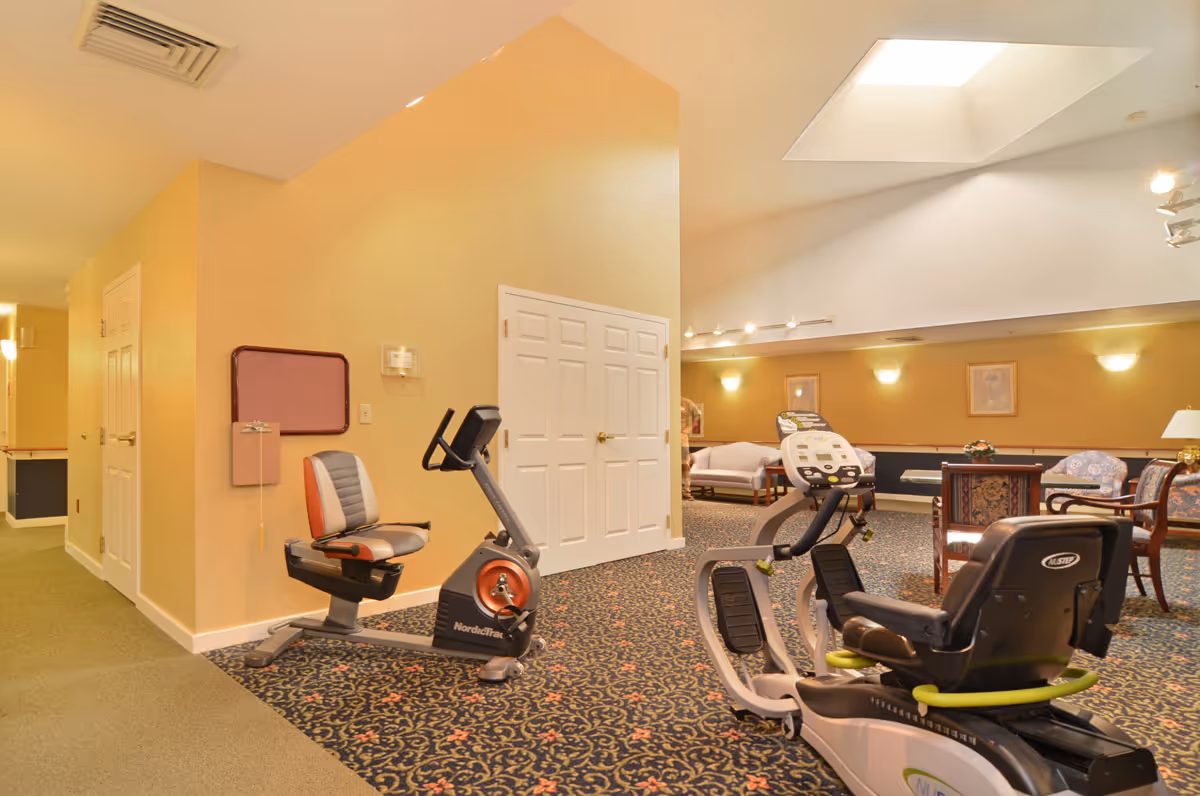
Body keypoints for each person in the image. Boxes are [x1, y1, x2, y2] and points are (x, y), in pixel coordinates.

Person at [681, 397, 702, 500]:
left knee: (685, 465)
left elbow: (698, 414)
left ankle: (686, 491)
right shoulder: (666, 399)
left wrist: (689, 428)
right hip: (669, 438)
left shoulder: (686, 402)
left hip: (682, 439)